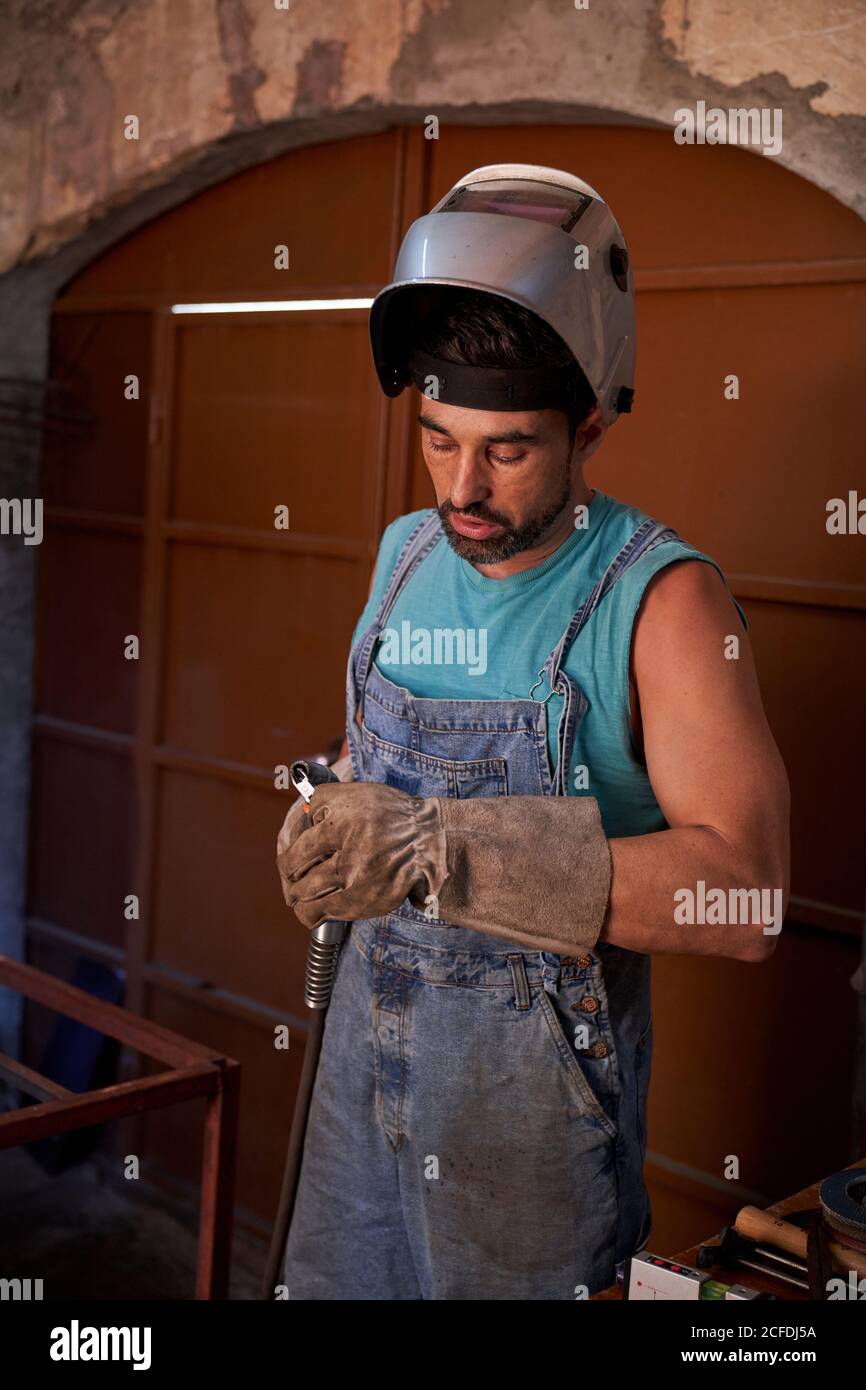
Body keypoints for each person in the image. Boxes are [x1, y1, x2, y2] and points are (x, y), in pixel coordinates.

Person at [276, 164, 790, 1301]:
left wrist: (431, 849)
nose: (461, 488)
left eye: (505, 449)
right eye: (436, 438)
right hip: (360, 1065)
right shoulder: (406, 552)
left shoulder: (660, 602)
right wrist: (329, 810)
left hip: (527, 1114)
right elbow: (373, 758)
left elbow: (747, 895)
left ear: (589, 425)